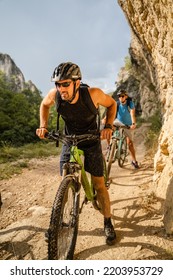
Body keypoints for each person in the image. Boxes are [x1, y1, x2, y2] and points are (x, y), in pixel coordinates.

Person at [36, 62, 117, 245]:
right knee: (65, 179)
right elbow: (44, 105)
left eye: (65, 84)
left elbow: (112, 104)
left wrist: (108, 126)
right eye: (58, 84)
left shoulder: (92, 94)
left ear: (77, 83)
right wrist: (43, 126)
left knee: (99, 185)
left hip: (91, 139)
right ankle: (58, 221)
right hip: (69, 139)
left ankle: (107, 221)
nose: (61, 88)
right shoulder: (54, 95)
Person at [114, 89, 139, 169]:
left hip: (128, 124)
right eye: (119, 96)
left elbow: (132, 114)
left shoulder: (129, 103)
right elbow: (111, 113)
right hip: (118, 122)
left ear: (126, 96)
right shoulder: (117, 104)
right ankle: (110, 147)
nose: (120, 98)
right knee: (107, 129)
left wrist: (133, 124)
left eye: (122, 96)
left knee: (130, 144)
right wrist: (105, 119)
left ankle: (134, 161)